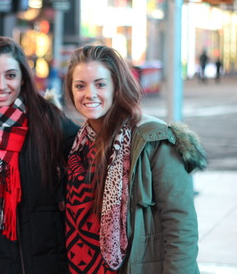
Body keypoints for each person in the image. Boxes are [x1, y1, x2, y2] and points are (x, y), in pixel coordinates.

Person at [64, 45, 207, 274]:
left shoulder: (154, 140)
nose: (89, 94)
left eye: (100, 84)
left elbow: (180, 224)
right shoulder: (77, 145)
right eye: (80, 86)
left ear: (116, 88)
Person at [0, 36, 79, 273]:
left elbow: (89, 156)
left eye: (10, 75)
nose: (1, 86)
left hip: (41, 262)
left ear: (23, 79)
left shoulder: (48, 121)